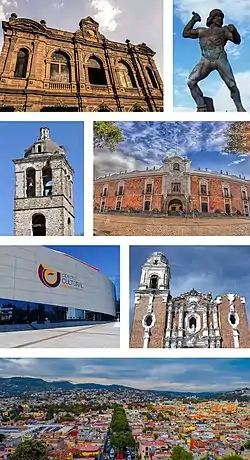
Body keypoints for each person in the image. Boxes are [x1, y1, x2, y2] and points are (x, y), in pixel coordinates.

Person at [183, 9, 246, 111]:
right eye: (217, 16)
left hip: (220, 58)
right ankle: (201, 106)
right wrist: (194, 19)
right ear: (211, 18)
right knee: (191, 82)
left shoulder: (224, 30)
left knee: (232, 85)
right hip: (205, 60)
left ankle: (240, 108)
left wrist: (235, 32)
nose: (220, 19)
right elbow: (185, 33)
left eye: (221, 17)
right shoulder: (202, 31)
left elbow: (236, 41)